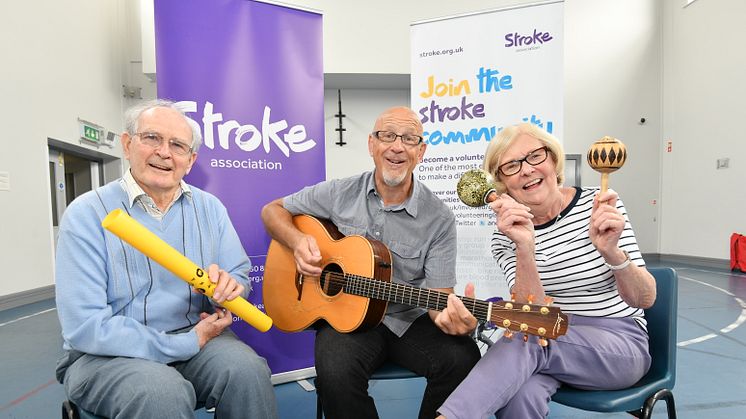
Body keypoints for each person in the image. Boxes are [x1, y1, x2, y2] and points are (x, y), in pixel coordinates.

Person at [54, 100, 278, 418]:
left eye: (177, 145)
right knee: (162, 394)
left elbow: (238, 274)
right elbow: (86, 327)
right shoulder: (87, 213)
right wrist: (184, 344)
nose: (164, 152)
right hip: (106, 353)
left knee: (248, 373)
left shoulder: (209, 207)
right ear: (128, 144)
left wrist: (231, 288)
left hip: (194, 337)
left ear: (190, 160)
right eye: (152, 138)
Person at [261, 106, 481, 419]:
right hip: (345, 319)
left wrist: (455, 321)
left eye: (408, 139)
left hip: (408, 319)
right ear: (371, 144)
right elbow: (272, 211)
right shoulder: (339, 192)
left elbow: (439, 300)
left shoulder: (440, 218)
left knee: (463, 358)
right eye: (387, 136)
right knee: (334, 371)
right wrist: (298, 242)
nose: (396, 146)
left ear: (421, 151)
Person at [437, 123, 657, 418]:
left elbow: (644, 299)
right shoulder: (505, 235)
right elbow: (533, 314)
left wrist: (612, 252)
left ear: (553, 160)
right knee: (519, 394)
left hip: (619, 344)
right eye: (511, 166)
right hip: (547, 337)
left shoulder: (600, 205)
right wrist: (525, 245)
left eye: (534, 156)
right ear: (502, 184)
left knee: (524, 339)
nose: (526, 170)